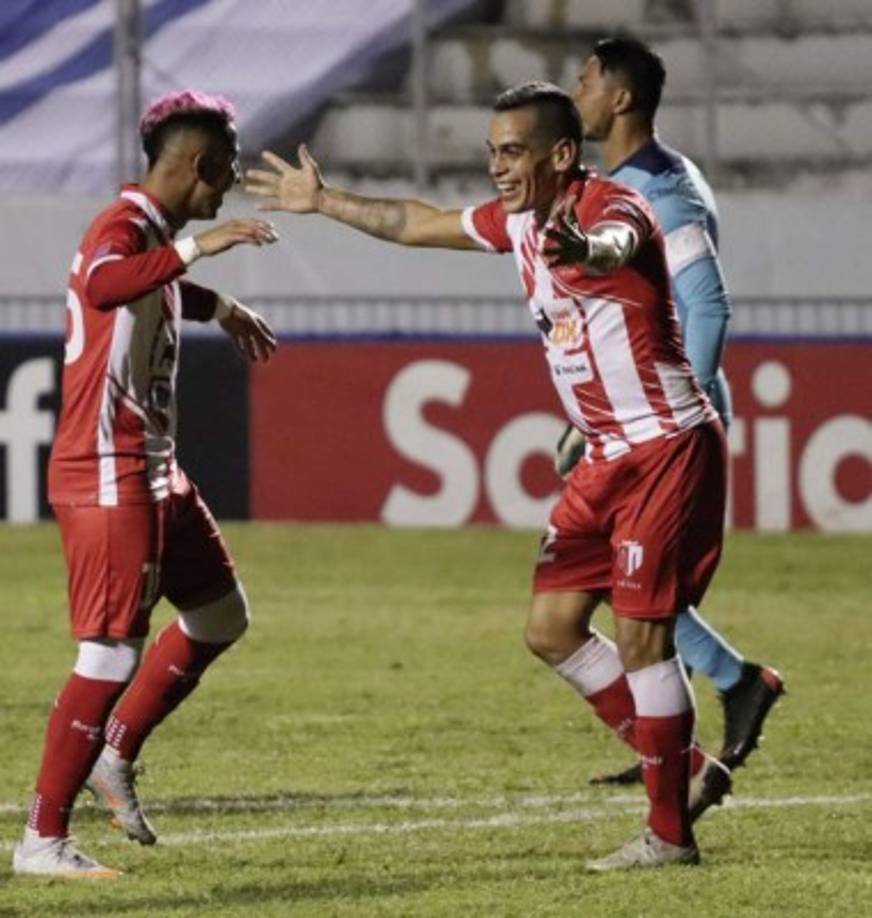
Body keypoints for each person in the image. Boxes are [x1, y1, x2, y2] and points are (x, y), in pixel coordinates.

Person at [247, 81, 733, 870]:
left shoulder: (614, 207)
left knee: (644, 637)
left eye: (512, 151)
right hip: (606, 454)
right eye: (491, 152)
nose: (497, 167)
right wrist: (324, 199)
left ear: (561, 155)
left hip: (664, 446)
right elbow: (416, 220)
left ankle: (669, 835)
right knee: (551, 630)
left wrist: (585, 251)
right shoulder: (519, 223)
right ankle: (685, 772)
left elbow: (613, 244)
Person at [13, 90, 278, 879]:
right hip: (107, 470)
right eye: (224, 169)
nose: (227, 186)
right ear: (197, 165)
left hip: (155, 470)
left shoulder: (151, 236)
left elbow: (149, 288)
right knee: (107, 655)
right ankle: (41, 839)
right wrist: (205, 254)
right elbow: (105, 284)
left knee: (220, 615)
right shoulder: (121, 227)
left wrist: (217, 305)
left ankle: (116, 749)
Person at [561, 36, 784, 787]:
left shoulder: (662, 189)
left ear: (620, 98)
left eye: (586, 80)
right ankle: (675, 735)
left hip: (665, 417)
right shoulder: (645, 177)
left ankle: (728, 691)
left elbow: (708, 308)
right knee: (620, 586)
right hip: (641, 410)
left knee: (627, 590)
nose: (576, 89)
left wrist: (670, 402)